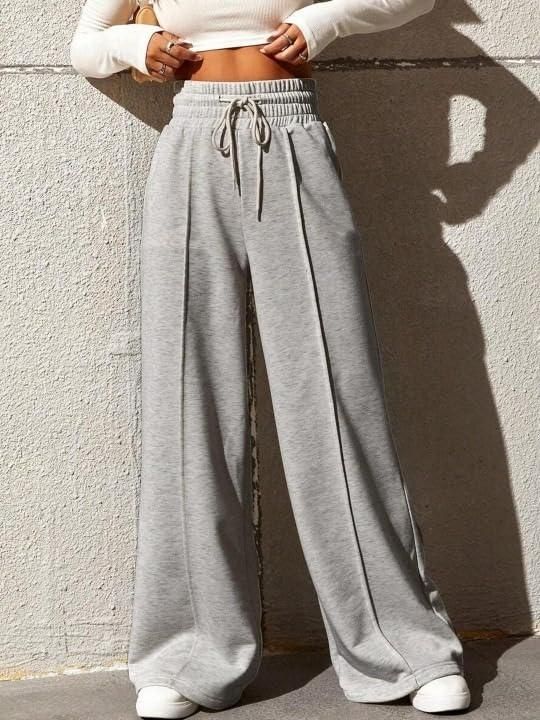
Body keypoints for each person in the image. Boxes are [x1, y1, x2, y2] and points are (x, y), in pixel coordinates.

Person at [69, 1, 471, 717]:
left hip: (292, 134)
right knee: (188, 399)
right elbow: (86, 47)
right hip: (191, 142)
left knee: (336, 393)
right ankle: (188, 653)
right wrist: (140, 44)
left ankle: (401, 647)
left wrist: (326, 22)